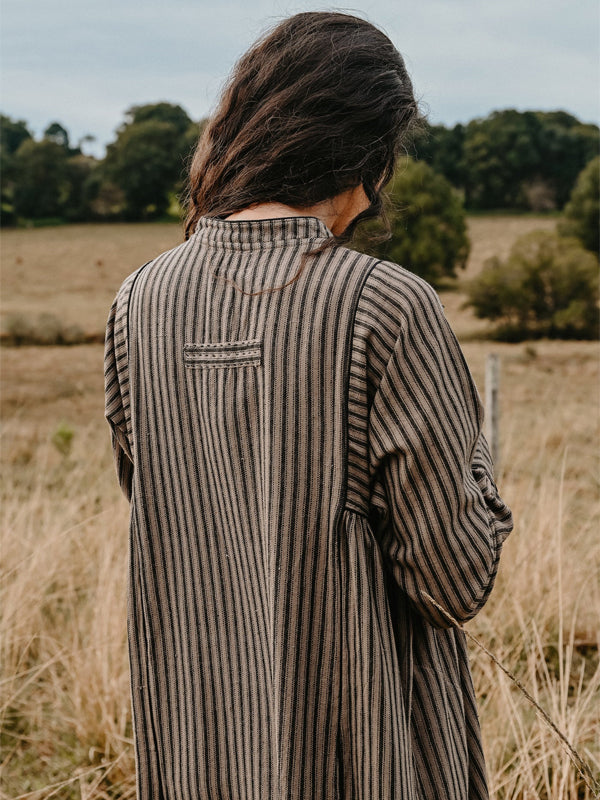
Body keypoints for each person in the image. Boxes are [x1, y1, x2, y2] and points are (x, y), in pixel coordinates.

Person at [104, 11, 514, 800]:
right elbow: (453, 580)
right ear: (370, 150)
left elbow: (162, 510)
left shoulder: (137, 303)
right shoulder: (388, 307)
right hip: (370, 759)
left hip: (200, 755)